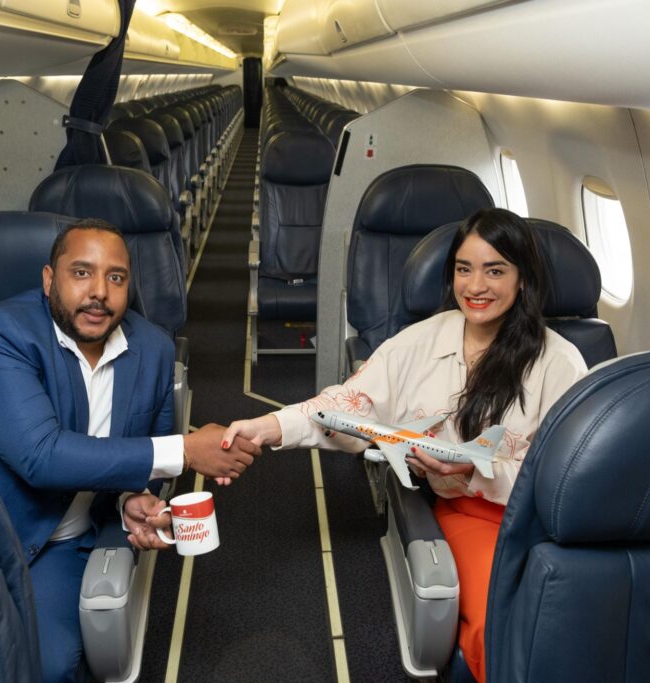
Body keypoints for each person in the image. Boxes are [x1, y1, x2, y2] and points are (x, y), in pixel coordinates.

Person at [222, 208, 587, 682]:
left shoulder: (561, 361)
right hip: (470, 515)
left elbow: (568, 479)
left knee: (578, 621)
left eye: (495, 270)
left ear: (524, 278)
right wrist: (269, 426)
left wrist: (480, 469)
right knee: (508, 625)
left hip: (546, 522)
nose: (476, 285)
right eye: (464, 269)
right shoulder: (418, 342)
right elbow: (346, 404)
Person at [0, 218, 260, 683]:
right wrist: (186, 450)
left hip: (64, 545)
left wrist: (132, 499)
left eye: (116, 277)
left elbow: (144, 465)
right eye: (81, 272)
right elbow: (42, 455)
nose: (99, 292)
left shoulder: (153, 349)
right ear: (49, 279)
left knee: (48, 668)